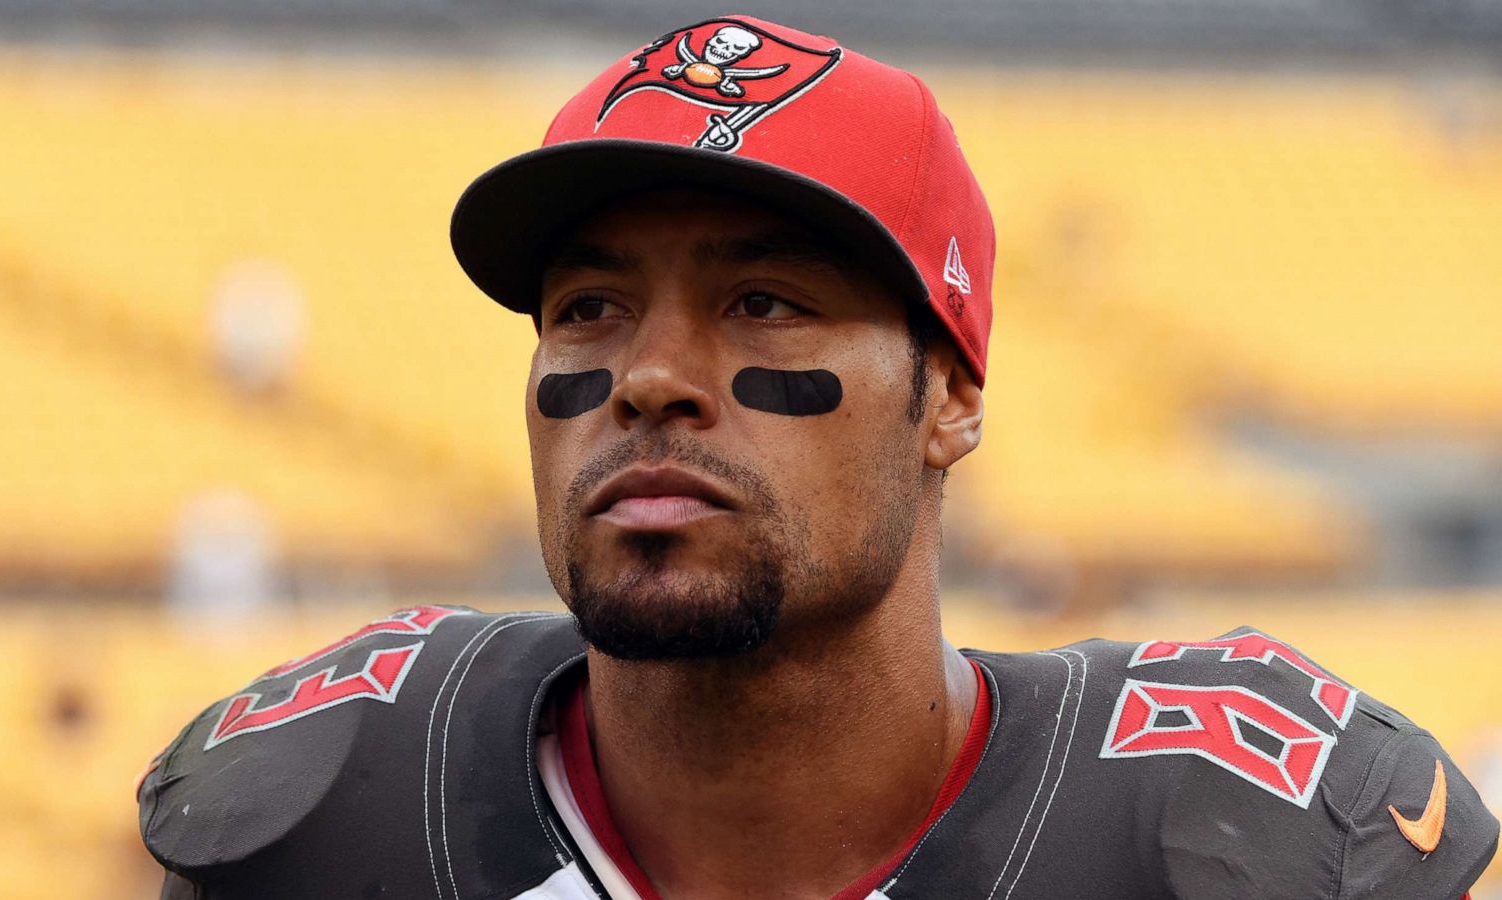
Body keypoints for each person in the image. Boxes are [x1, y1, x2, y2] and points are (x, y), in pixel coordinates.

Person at [137, 15, 1497, 899]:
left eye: (763, 303)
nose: (654, 381)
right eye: (589, 310)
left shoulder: (1229, 834)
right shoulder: (334, 815)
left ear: (949, 398)